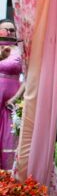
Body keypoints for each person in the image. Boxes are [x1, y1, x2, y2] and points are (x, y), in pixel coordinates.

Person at [0, 19, 23, 170]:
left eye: (11, 30)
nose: (8, 33)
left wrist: (15, 99)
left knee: (9, 137)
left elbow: (28, 78)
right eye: (4, 30)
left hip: (11, 102)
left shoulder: (20, 50)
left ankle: (7, 182)